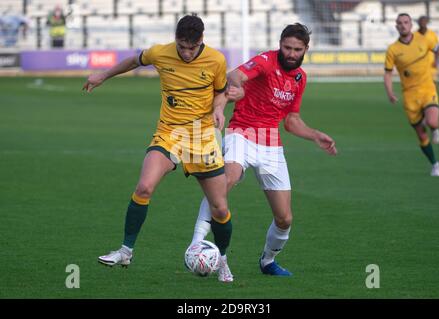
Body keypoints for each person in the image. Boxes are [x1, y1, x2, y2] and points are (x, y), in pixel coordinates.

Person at [83, 15, 234, 283]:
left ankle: (222, 260)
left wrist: (219, 108)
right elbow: (133, 60)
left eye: (192, 47)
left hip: (202, 137)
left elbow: (221, 91)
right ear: (175, 39)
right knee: (143, 188)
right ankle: (126, 250)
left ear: (202, 41)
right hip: (169, 133)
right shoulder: (160, 53)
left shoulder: (216, 60)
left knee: (220, 208)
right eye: (181, 46)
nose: (186, 53)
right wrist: (103, 75)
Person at [190, 23, 337, 277]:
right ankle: (196, 242)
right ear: (280, 44)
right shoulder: (267, 61)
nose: (291, 53)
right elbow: (236, 74)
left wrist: (315, 136)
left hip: (270, 142)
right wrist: (238, 85)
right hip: (242, 132)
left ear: (305, 50)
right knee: (228, 179)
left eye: (297, 49)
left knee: (284, 219)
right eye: (287, 47)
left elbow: (291, 121)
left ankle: (268, 261)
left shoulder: (300, 78)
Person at [384, 13, 439, 177]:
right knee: (421, 135)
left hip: (427, 88)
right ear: (396, 26)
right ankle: (435, 164)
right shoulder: (393, 50)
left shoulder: (424, 39)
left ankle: (434, 127)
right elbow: (388, 73)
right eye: (399, 23)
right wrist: (390, 92)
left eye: (406, 22)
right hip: (409, 96)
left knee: (433, 120)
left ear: (410, 24)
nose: (403, 25)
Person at [415, 16, 439, 82]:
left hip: (431, 63)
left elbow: (437, 49)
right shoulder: (413, 35)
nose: (422, 23)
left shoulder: (433, 34)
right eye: (421, 21)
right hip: (419, 65)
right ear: (418, 23)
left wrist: (436, 61)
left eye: (424, 21)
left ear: (427, 22)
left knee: (433, 83)